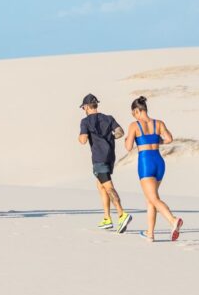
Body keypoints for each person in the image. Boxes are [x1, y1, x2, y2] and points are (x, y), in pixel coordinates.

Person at [123, 96, 183, 242]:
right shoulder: (159, 123)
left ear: (137, 110)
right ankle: (150, 233)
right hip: (159, 162)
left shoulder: (134, 125)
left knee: (153, 198)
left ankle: (173, 220)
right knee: (151, 199)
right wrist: (156, 140)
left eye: (133, 113)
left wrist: (127, 139)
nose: (134, 116)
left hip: (146, 162)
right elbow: (169, 139)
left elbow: (128, 147)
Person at [78, 94, 133, 233]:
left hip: (98, 158)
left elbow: (83, 140)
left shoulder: (85, 122)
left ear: (86, 106)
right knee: (100, 185)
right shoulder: (108, 118)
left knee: (108, 187)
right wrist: (109, 138)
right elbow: (120, 132)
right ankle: (107, 218)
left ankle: (122, 214)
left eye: (83, 107)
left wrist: (82, 136)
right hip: (110, 157)